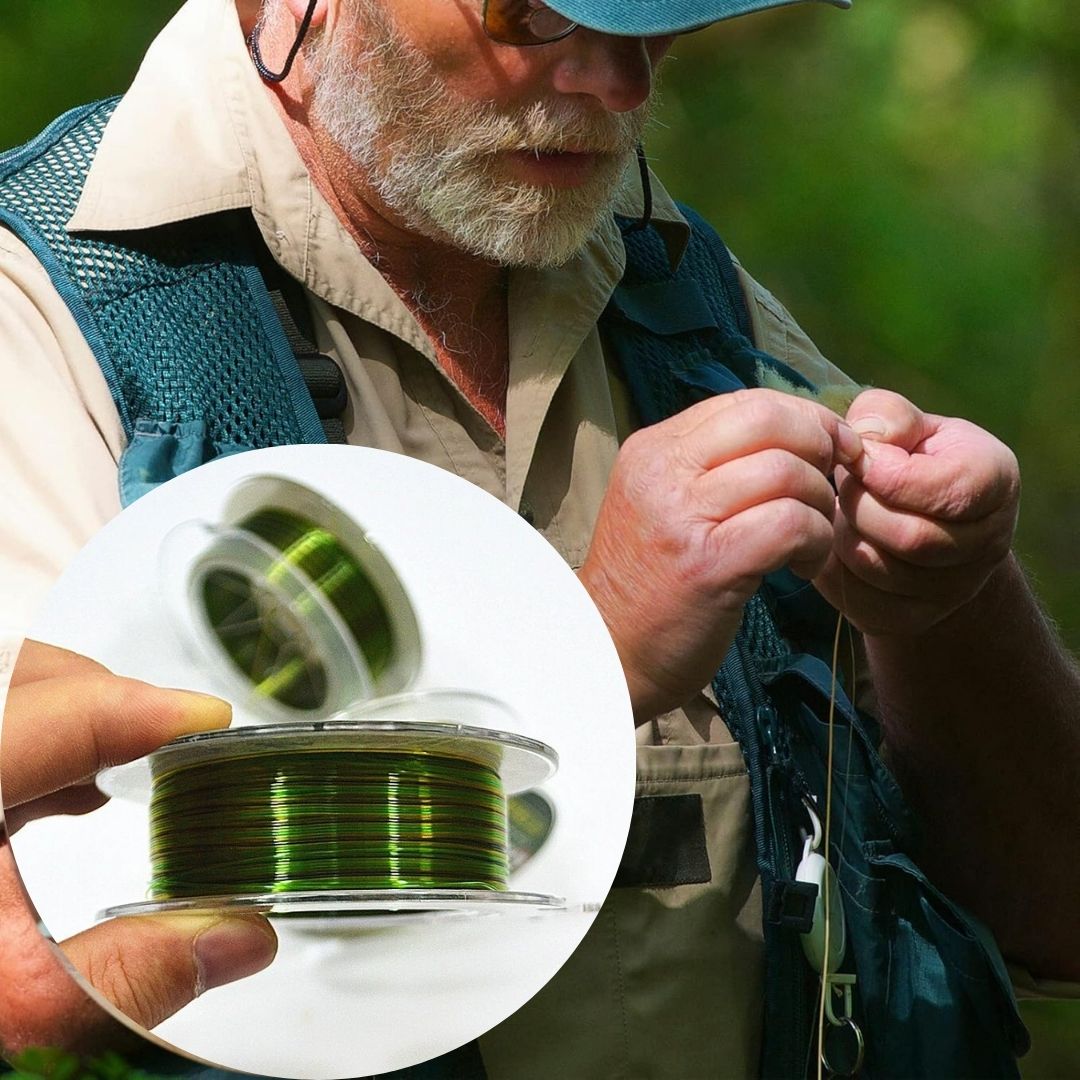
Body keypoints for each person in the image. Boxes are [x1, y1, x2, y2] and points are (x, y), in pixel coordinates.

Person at [0, 0, 1077, 1076]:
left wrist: (953, 601)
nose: (622, 86)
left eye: (672, 16)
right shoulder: (43, 309)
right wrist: (590, 658)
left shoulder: (682, 293)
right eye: (538, 14)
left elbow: (1054, 919)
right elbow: (38, 985)